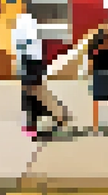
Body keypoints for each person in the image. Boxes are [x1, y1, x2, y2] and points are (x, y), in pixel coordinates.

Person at [12, 9, 68, 138]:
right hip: (32, 61)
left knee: (32, 92)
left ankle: (42, 120)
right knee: (33, 92)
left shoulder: (24, 22)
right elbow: (27, 42)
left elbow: (22, 43)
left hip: (29, 61)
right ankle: (38, 121)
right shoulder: (28, 22)